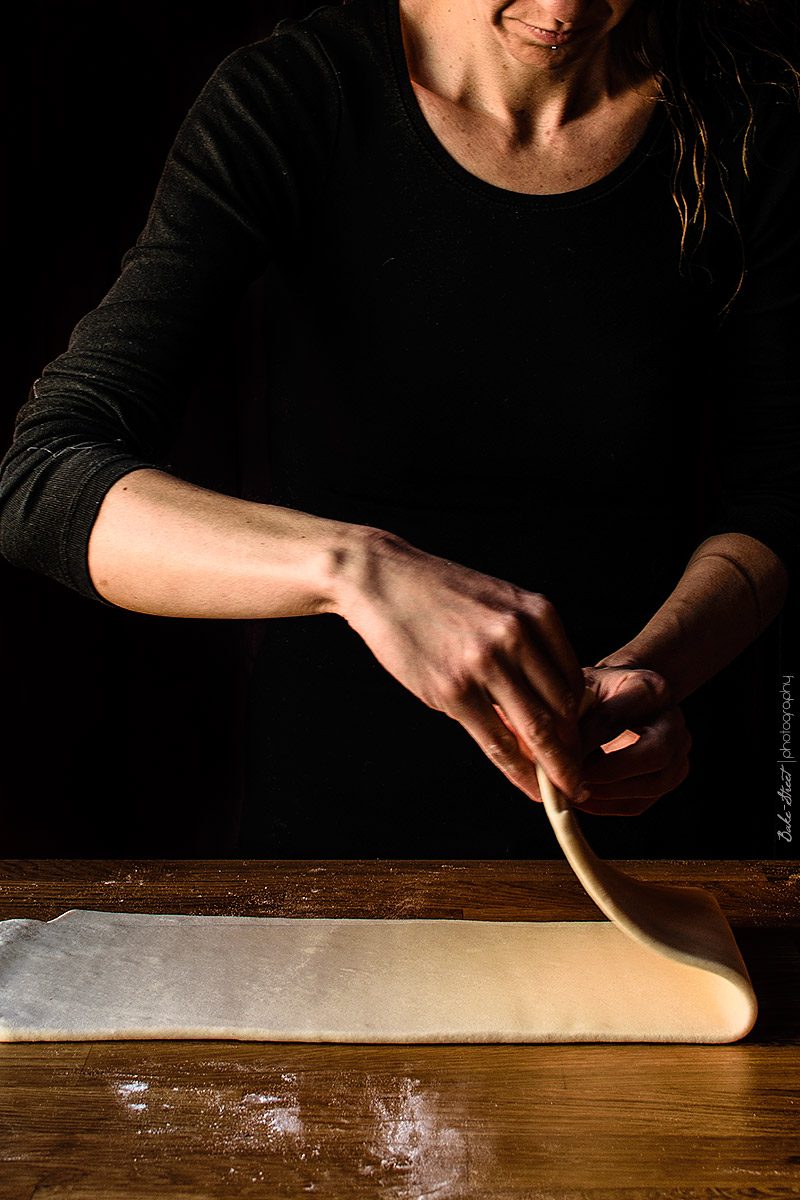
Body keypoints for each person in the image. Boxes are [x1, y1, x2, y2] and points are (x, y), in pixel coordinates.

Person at [1, 0, 798, 856]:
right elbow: (44, 483)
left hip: (659, 806)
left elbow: (780, 494)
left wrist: (650, 676)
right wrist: (358, 570)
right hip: (341, 833)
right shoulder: (297, 96)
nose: (563, 9)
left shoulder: (754, 110)